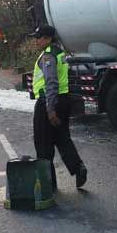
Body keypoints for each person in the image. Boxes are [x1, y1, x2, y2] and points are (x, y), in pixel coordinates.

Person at [30, 25, 87, 189]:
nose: (36, 41)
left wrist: (50, 109)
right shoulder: (58, 51)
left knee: (43, 143)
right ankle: (78, 167)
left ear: (48, 38)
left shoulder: (48, 56)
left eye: (39, 37)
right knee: (62, 138)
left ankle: (48, 182)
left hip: (49, 102)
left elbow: (51, 82)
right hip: (63, 100)